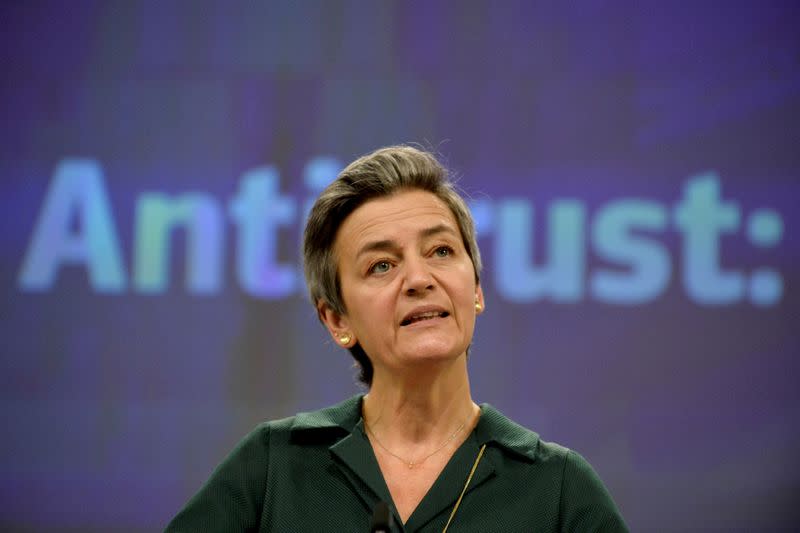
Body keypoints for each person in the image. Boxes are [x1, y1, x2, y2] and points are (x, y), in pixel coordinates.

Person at [165, 145, 628, 532]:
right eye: (381, 265)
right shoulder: (273, 469)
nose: (418, 278)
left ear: (477, 290)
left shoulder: (556, 488)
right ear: (336, 320)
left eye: (441, 251)